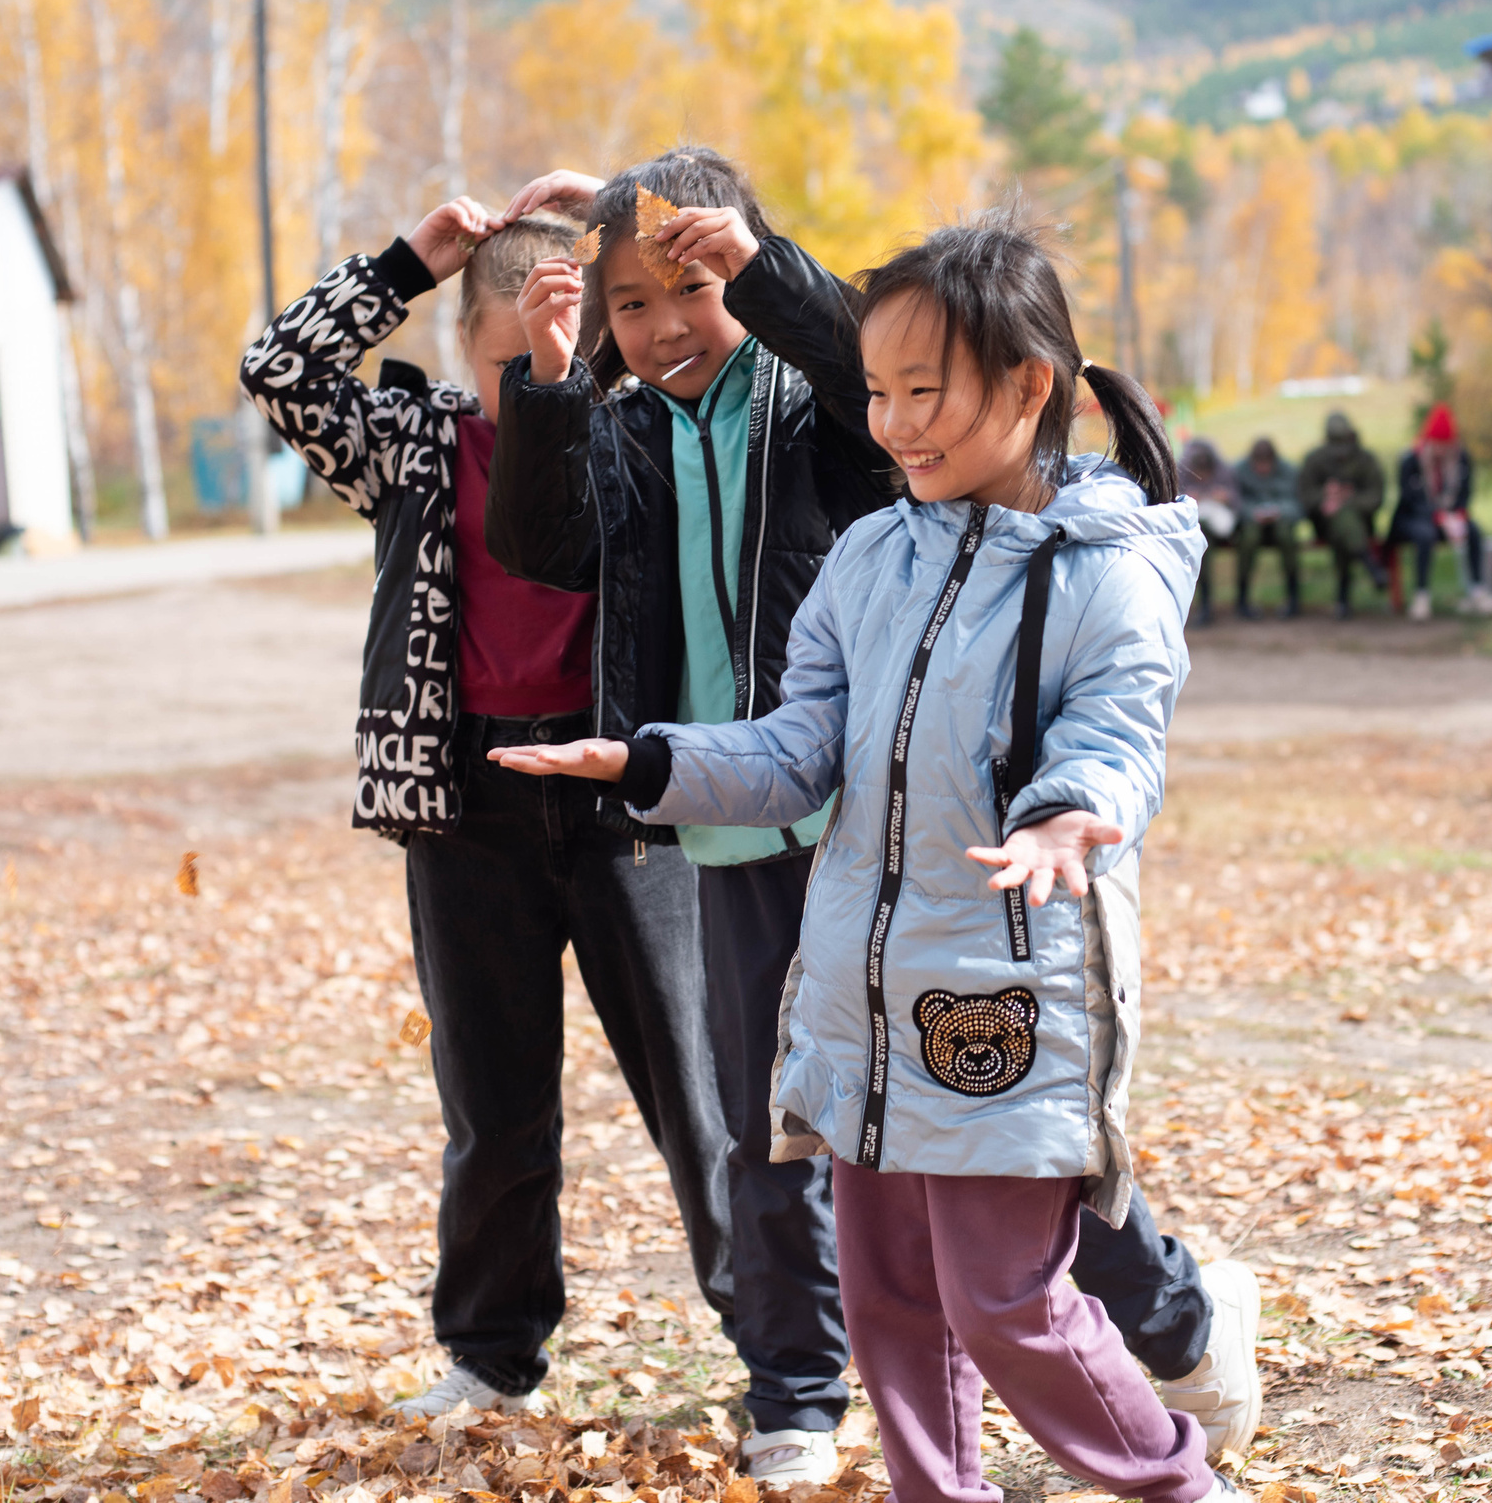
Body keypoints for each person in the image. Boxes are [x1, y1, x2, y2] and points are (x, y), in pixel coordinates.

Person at [490, 153, 1261, 1479]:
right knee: (896, 1290)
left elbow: (1116, 729)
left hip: (1005, 966)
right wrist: (650, 761)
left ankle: (1176, 1449)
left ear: (1031, 389)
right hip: (846, 939)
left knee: (1003, 1289)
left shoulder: (1078, 557)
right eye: (884, 398)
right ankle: (871, 1438)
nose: (898, 422)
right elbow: (796, 739)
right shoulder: (865, 547)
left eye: (923, 394)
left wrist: (1073, 816)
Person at [236, 203, 739, 1424]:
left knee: (697, 1089)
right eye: (503, 355)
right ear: (464, 342)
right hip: (464, 799)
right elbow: (280, 369)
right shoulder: (414, 444)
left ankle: (780, 1345)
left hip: (624, 792)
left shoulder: (633, 433)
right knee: (493, 1100)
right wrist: (411, 262)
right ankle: (491, 1352)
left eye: (549, 349)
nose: (524, 377)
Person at [1387, 405, 1481, 620]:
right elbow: (1411, 499)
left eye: (1445, 445)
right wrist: (1440, 518)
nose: (1441, 450)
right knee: (1425, 534)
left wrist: (1457, 516)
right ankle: (1422, 595)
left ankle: (1477, 590)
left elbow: (1465, 494)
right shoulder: (1411, 460)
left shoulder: (1461, 459)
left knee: (1474, 531)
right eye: (1437, 444)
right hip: (1412, 519)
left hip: (1450, 517)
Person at [1297, 411, 1388, 619]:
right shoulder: (1315, 460)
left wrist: (1347, 499)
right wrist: (1325, 497)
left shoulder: (1365, 460)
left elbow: (1376, 497)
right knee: (1342, 522)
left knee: (1344, 523)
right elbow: (1304, 495)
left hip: (1360, 522)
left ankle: (1343, 600)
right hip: (1323, 523)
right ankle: (1370, 566)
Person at [1232, 436, 1302, 619]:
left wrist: (1279, 512)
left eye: (1266, 464)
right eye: (1258, 464)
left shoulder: (1289, 471)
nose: (1262, 469)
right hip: (1252, 523)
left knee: (1287, 537)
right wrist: (1252, 513)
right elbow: (1235, 502)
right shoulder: (1239, 471)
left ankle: (1293, 598)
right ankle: (1243, 599)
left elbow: (1299, 504)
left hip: (1281, 523)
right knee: (1248, 539)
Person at [1178, 437, 1237, 626]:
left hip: (1222, 527)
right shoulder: (1181, 471)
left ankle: (1210, 604)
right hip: (1193, 532)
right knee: (1200, 551)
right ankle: (1203, 604)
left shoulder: (1224, 471)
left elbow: (1238, 501)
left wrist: (1226, 497)